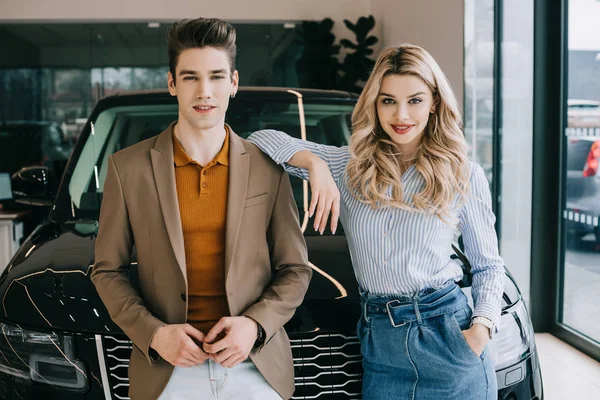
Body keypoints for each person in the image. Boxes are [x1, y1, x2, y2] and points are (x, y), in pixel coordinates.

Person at [247, 43, 505, 399]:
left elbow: (488, 266)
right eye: (388, 101)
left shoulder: (462, 174)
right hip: (381, 343)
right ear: (374, 104)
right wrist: (315, 164)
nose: (401, 114)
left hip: (448, 337)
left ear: (434, 102)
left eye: (414, 100)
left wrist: (480, 331)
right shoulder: (347, 167)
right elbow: (259, 139)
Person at [91, 18, 312, 400]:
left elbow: (295, 269)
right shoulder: (127, 168)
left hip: (254, 366)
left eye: (216, 76)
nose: (204, 91)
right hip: (168, 370)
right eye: (191, 77)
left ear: (234, 83)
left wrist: (255, 326)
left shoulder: (268, 168)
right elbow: (107, 271)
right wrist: (155, 334)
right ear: (172, 83)